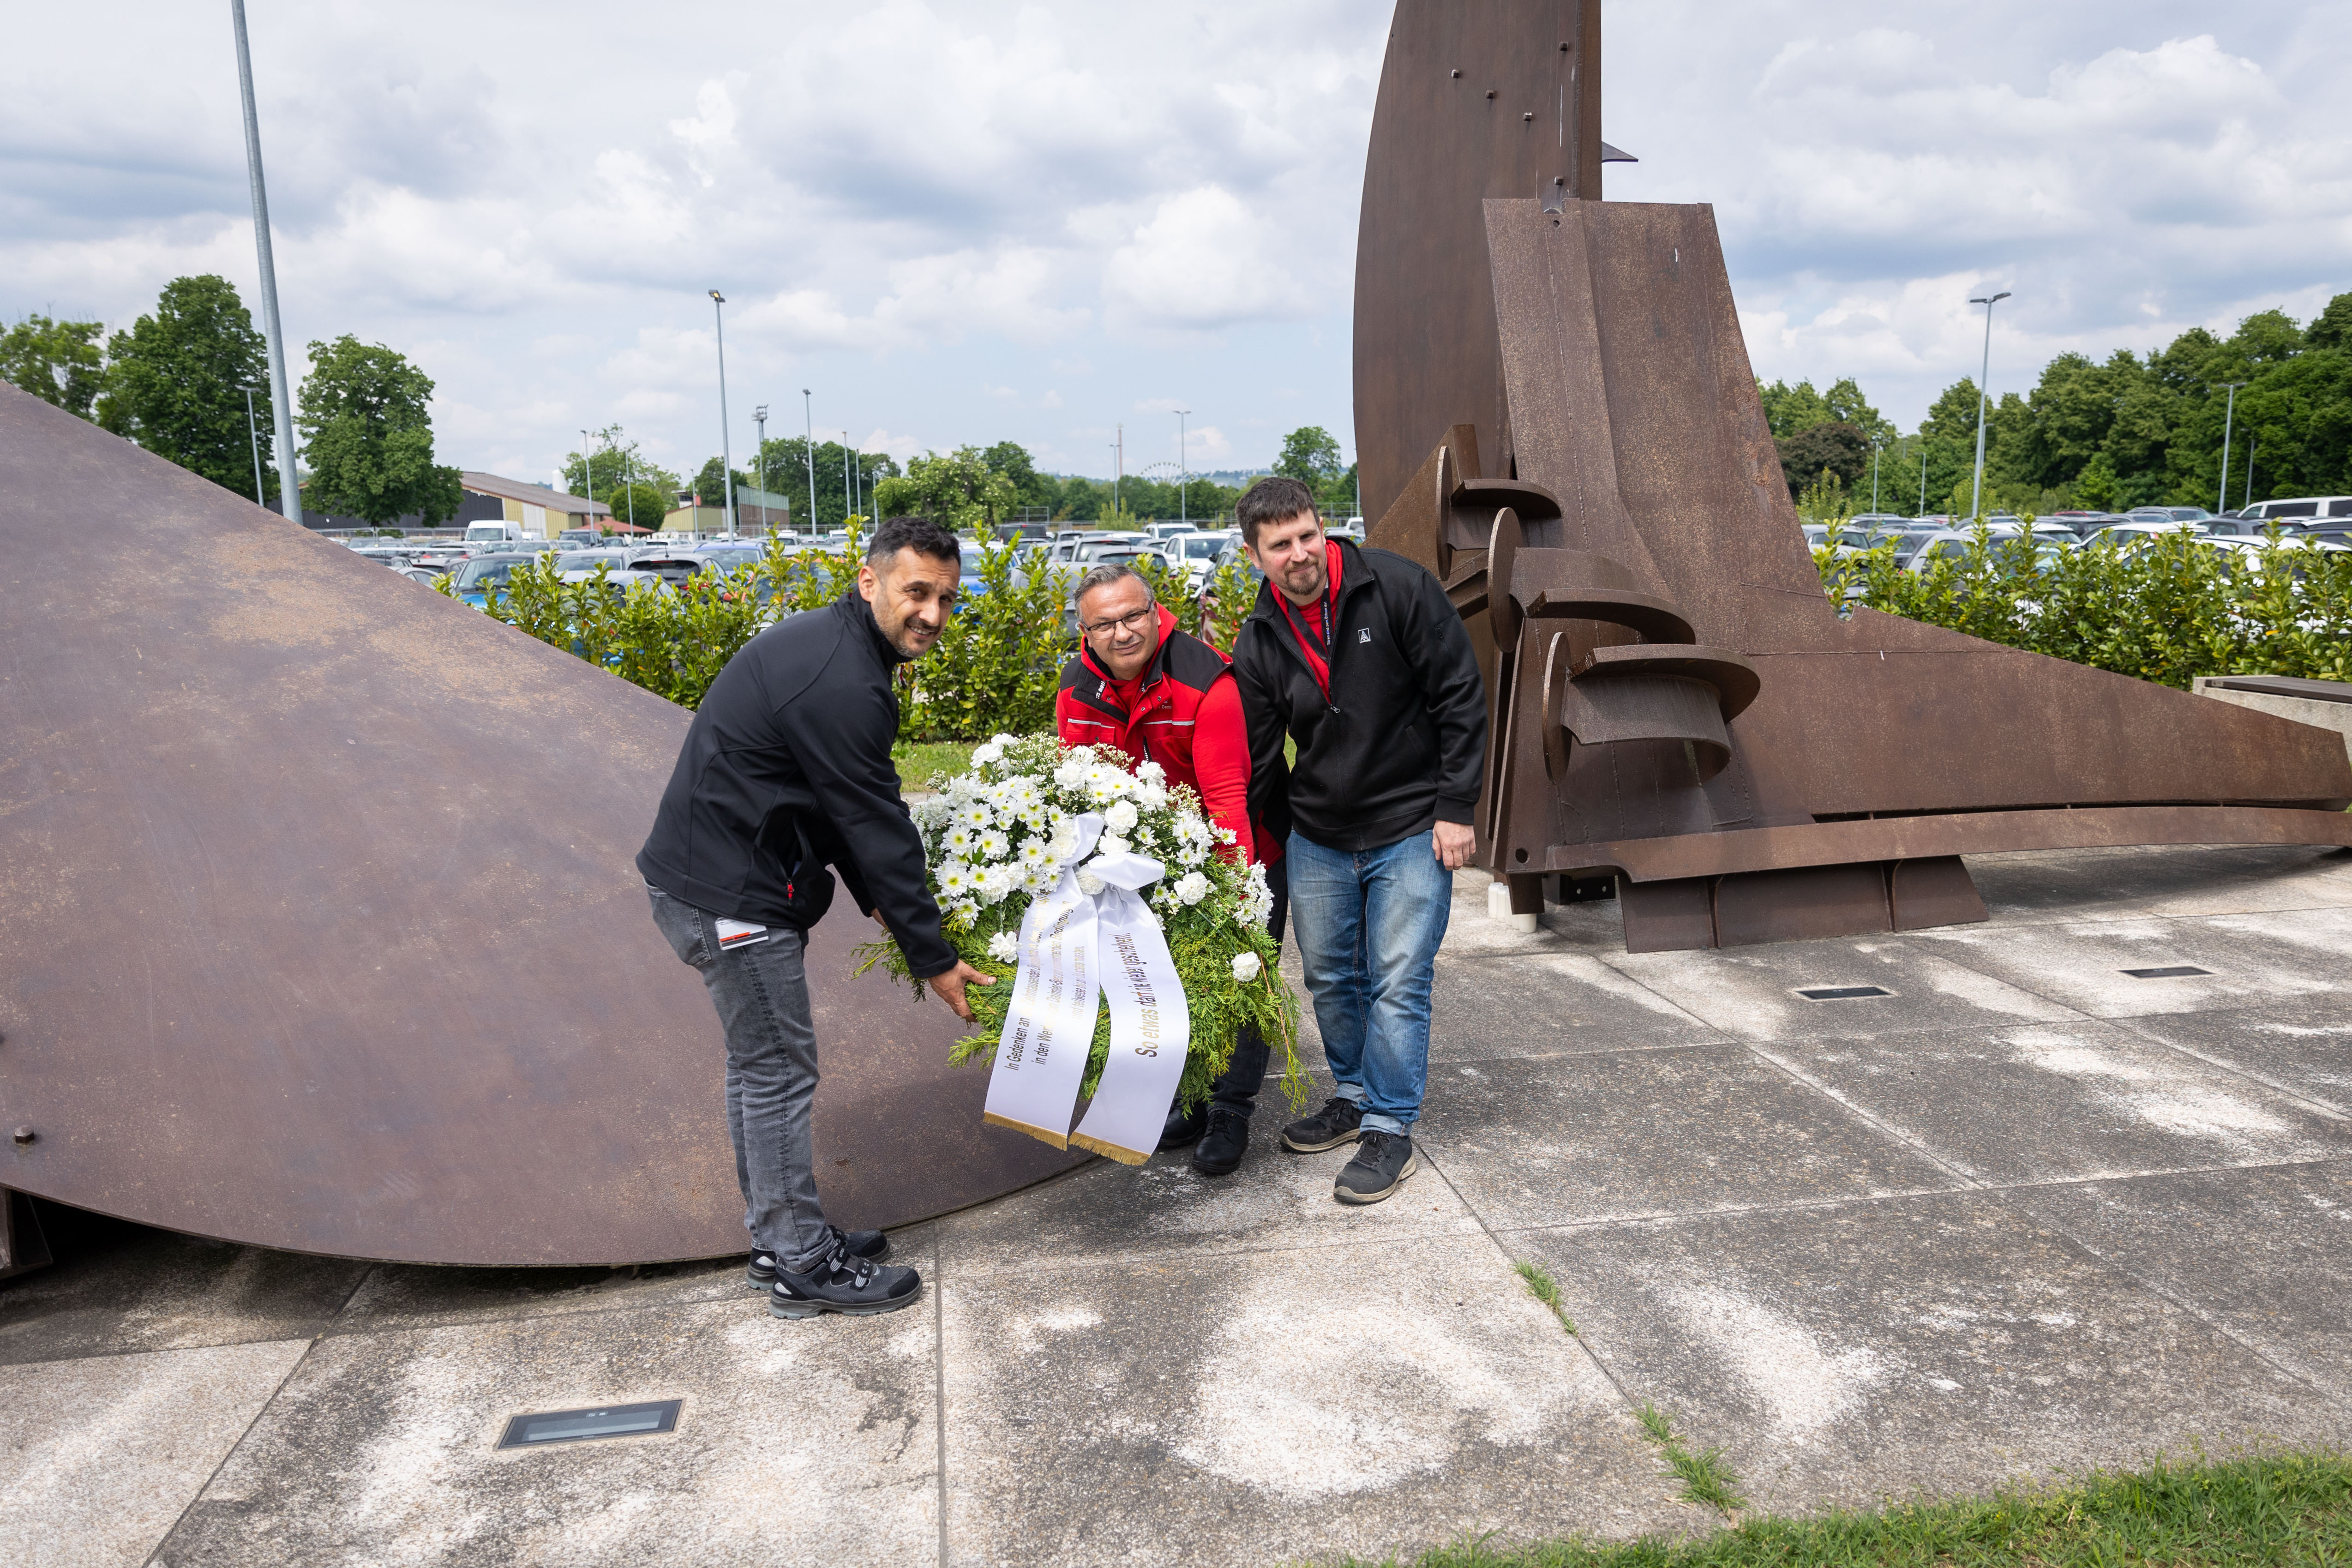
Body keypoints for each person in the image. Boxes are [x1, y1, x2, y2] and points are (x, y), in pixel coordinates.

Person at [637, 516, 993, 1319]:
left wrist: (873, 899)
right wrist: (932, 957)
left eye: (946, 597)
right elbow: (875, 822)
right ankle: (801, 1262)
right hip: (730, 897)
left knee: (756, 1069)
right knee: (776, 1074)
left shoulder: (837, 647)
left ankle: (778, 1234)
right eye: (916, 592)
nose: (932, 613)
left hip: (710, 879)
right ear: (869, 582)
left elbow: (830, 799)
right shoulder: (844, 678)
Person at [1228, 477, 1486, 1205]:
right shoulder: (1260, 636)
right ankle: (1352, 1093)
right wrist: (1267, 843)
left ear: (1323, 528)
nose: (1300, 553)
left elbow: (1460, 694)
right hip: (1320, 836)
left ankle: (1390, 1126)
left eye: (1307, 534)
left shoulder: (1397, 588)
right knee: (1332, 978)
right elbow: (1257, 753)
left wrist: (1456, 805)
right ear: (1256, 554)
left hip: (1410, 822)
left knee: (1399, 977)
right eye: (1280, 544)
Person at [1054, 561, 1286, 1177]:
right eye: (1105, 623)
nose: (1123, 632)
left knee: (1238, 981)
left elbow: (1227, 799)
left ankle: (1232, 1109)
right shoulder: (1075, 687)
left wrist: (1242, 898)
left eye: (1134, 615)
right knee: (1171, 982)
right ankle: (1191, 1098)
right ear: (1085, 630)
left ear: (1157, 612)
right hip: (1142, 864)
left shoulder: (1209, 682)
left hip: (1231, 848)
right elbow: (1075, 789)